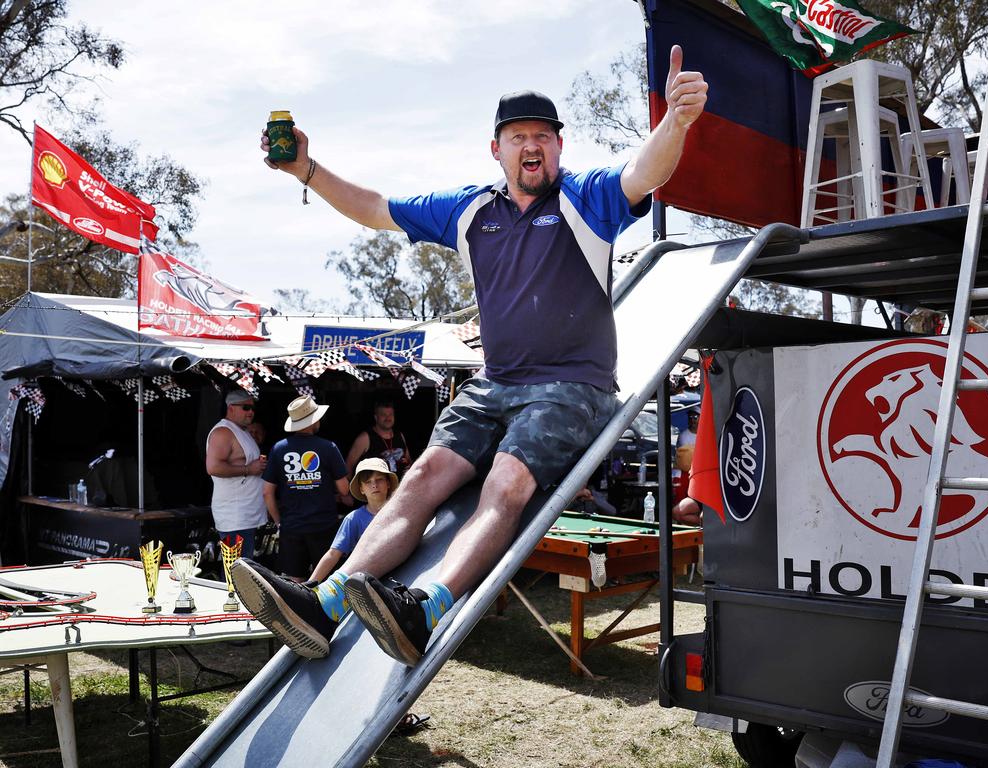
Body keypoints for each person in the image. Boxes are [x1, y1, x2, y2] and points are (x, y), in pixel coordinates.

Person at [231, 45, 707, 666]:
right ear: (497, 149)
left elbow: (645, 171)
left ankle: (425, 606)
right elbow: (375, 210)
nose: (531, 146)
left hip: (571, 387)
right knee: (422, 477)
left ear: (559, 148)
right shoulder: (471, 210)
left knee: (506, 481)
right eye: (517, 137)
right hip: (494, 383)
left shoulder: (585, 199)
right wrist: (306, 169)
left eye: (543, 136)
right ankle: (324, 606)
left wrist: (675, 122)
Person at [263, 395, 351, 579]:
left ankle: (297, 610)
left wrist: (280, 522)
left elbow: (267, 492)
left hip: (291, 527)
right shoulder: (329, 448)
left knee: (295, 582)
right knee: (328, 582)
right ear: (313, 420)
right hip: (324, 526)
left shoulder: (279, 449)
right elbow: (344, 490)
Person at [309, 457, 398, 587]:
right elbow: (334, 553)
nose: (374, 485)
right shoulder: (354, 518)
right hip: (370, 584)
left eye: (379, 479)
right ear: (361, 488)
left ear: (388, 483)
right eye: (368, 482)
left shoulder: (401, 511)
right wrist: (311, 583)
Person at [205, 390, 268, 559]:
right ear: (231, 408)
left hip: (246, 514)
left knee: (243, 569)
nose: (251, 412)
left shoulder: (242, 430)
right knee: (237, 570)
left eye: (253, 408)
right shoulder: (223, 432)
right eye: (246, 408)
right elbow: (213, 467)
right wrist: (249, 469)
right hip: (235, 516)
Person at [345, 400, 412, 479]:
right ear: (376, 417)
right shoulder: (365, 438)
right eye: (384, 415)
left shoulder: (400, 435)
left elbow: (408, 461)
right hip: (375, 488)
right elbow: (348, 466)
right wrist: (349, 489)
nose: (388, 418)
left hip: (399, 488)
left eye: (390, 414)